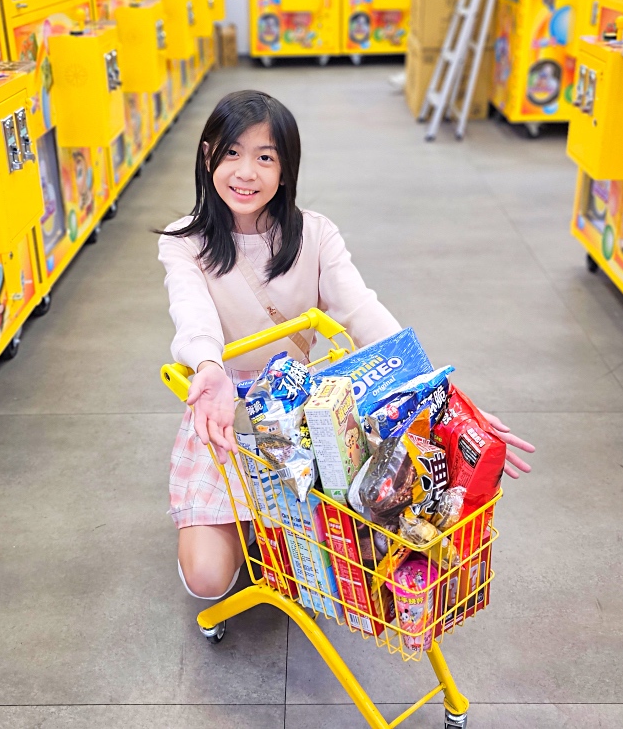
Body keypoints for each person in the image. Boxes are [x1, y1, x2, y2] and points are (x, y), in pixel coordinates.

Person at [159, 90, 535, 600]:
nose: (246, 172)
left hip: (298, 414)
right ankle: (238, 524)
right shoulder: (185, 240)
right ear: (208, 157)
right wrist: (209, 367)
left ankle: (260, 523)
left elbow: (364, 313)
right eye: (231, 153)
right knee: (208, 579)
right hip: (222, 410)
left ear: (285, 170)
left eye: (264, 157)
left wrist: (448, 400)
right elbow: (192, 313)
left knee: (359, 546)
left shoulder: (314, 235)